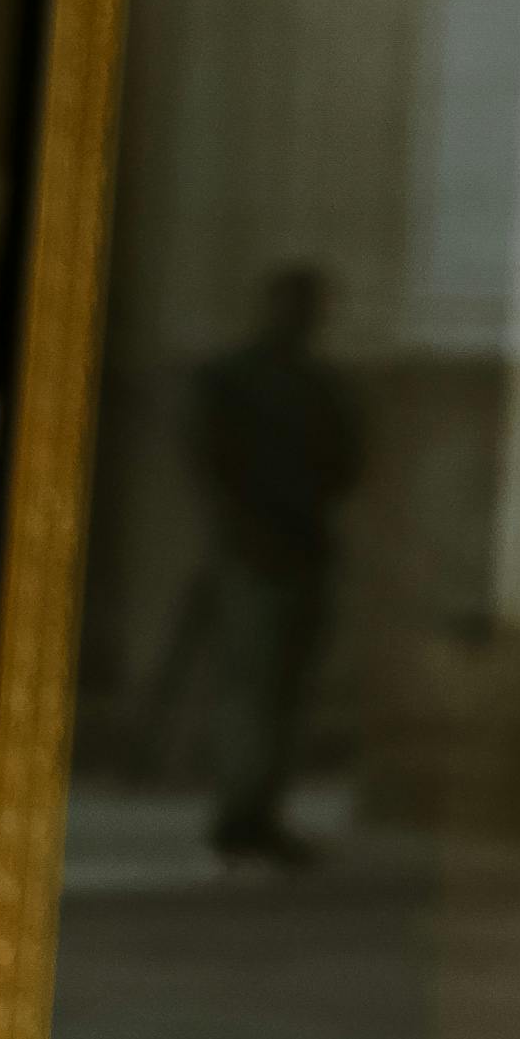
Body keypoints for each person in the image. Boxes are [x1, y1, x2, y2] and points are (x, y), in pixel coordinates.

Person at [186, 263, 361, 868]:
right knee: (261, 691)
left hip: (276, 549)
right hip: (266, 551)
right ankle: (244, 815)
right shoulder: (263, 383)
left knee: (271, 692)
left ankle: (251, 813)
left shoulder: (282, 383)